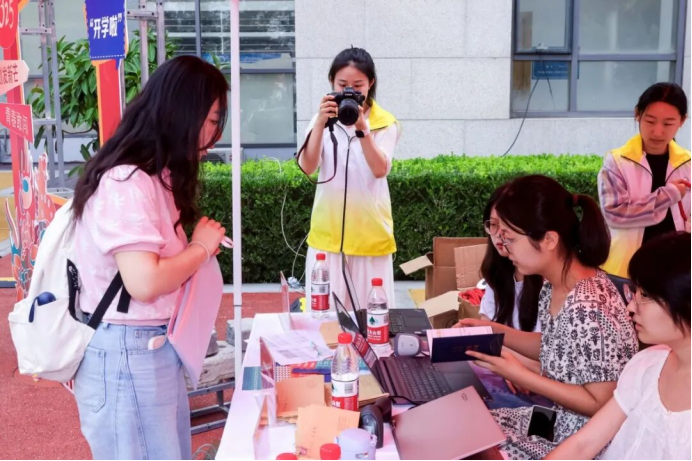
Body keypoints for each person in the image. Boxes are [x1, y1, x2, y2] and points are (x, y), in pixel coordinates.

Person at [70, 56, 229, 459]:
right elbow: (144, 282)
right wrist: (200, 248)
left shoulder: (152, 176)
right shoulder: (127, 181)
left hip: (145, 348)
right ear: (182, 113)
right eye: (211, 120)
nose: (213, 136)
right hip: (129, 353)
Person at [457, 175, 638, 460]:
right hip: (557, 420)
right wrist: (492, 330)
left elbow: (601, 403)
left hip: (583, 439)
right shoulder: (555, 285)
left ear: (549, 239)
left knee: (475, 445)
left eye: (511, 238)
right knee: (470, 423)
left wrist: (519, 374)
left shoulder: (589, 307)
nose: (504, 248)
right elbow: (554, 345)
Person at [546, 232, 690, 460]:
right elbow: (584, 444)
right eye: (634, 292)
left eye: (644, 294)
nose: (630, 307)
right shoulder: (647, 364)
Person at [297, 47, 400, 311]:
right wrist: (320, 123)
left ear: (371, 83)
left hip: (370, 237)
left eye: (358, 85)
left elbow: (379, 169)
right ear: (332, 83)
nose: (350, 91)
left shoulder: (385, 123)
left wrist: (363, 130)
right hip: (327, 239)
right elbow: (307, 166)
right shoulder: (321, 120)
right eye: (342, 85)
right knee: (324, 318)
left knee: (372, 317)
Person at [599, 82, 691, 278]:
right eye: (650, 121)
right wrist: (668, 195)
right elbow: (615, 215)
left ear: (682, 120)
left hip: (676, 272)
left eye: (668, 123)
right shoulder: (617, 162)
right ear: (637, 114)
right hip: (626, 270)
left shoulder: (688, 163)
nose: (657, 132)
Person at [480, 184, 543, 333]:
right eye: (493, 224)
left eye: (507, 226)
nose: (500, 235)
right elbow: (486, 324)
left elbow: (544, 345)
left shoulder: (553, 282)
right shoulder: (497, 271)